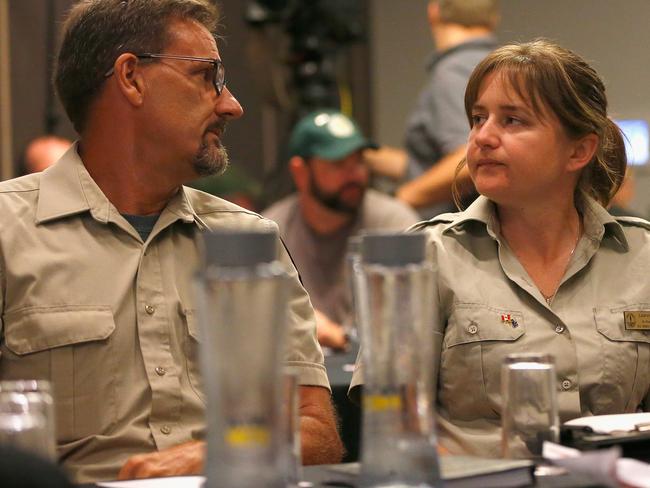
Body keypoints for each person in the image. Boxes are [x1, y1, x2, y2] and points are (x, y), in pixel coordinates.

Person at [0, 0, 342, 483]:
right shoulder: (7, 231)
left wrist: (215, 455)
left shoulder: (249, 242)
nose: (232, 104)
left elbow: (318, 436)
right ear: (131, 77)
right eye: (206, 77)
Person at [352, 38, 650, 457]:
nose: (482, 138)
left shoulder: (642, 257)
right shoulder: (426, 256)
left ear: (579, 150)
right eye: (478, 118)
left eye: (512, 120)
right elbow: (391, 429)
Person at [263, 110, 420, 350]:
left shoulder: (395, 224)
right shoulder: (271, 231)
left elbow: (411, 327)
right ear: (300, 172)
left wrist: (337, 336)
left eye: (359, 161)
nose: (355, 174)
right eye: (338, 164)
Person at [366, 0, 499, 217]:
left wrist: (397, 201)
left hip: (449, 234)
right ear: (493, 18)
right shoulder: (494, 65)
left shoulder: (453, 71)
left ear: (433, 11)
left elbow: (466, 158)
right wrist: (366, 157)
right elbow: (431, 163)